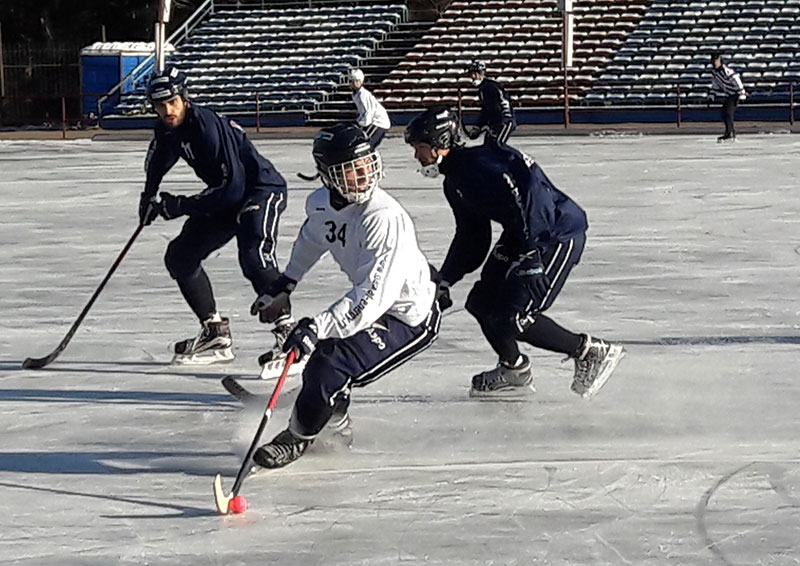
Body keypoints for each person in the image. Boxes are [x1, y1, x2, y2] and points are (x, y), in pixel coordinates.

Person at [249, 122, 441, 469]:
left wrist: (316, 326)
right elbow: (312, 239)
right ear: (327, 175)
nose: (364, 176)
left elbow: (372, 298)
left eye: (367, 165)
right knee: (327, 360)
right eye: (351, 170)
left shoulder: (384, 217)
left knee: (329, 361)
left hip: (408, 316)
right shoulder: (322, 203)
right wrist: (286, 283)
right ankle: (335, 425)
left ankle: (298, 437)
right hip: (374, 306)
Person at [405, 106, 625, 399]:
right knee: (481, 303)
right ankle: (514, 369)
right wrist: (446, 278)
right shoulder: (455, 182)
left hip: (554, 235)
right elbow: (472, 237)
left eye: (421, 148)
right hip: (522, 237)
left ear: (441, 143)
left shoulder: (481, 164)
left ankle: (588, 350)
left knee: (515, 316)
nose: (417, 157)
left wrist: (532, 253)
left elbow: (530, 187)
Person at [139, 67, 291, 366]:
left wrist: (180, 205)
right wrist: (149, 197)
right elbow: (159, 159)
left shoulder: (205, 127)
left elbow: (233, 189)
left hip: (259, 189)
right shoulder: (167, 128)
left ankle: (288, 333)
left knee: (253, 254)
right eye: (159, 105)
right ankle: (214, 332)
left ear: (184, 97)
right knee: (180, 255)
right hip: (226, 195)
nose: (167, 111)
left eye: (172, 102)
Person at [465, 60, 516, 145]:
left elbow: (492, 109)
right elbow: (486, 109)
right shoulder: (484, 88)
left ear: (481, 74)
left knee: (498, 146)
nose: (473, 77)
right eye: (471, 74)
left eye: (475, 74)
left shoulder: (489, 87)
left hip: (504, 121)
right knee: (489, 146)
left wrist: (481, 127)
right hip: (497, 122)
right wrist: (479, 126)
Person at [349, 68, 391, 149]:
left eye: (357, 81)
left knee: (366, 145)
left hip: (378, 122)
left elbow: (368, 112)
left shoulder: (364, 95)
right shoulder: (355, 95)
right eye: (352, 81)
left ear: (361, 82)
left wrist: (361, 124)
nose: (354, 83)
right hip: (372, 121)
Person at [710, 53, 747, 142]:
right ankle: (730, 132)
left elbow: (736, 80)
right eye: (714, 61)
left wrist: (742, 93)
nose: (715, 63)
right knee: (724, 113)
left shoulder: (727, 71)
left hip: (735, 93)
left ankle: (730, 133)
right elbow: (715, 83)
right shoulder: (715, 73)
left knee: (728, 112)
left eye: (717, 61)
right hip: (729, 94)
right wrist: (712, 93)